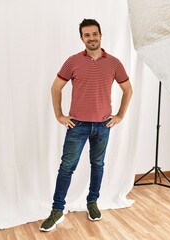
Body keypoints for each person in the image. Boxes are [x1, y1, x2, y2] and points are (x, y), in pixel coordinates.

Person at [40, 19, 133, 232]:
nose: (91, 38)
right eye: (87, 35)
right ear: (82, 38)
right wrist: (59, 116)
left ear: (101, 35)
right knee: (66, 168)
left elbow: (128, 89)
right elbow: (56, 88)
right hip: (77, 125)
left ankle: (92, 203)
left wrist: (119, 115)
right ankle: (57, 210)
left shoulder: (114, 63)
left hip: (103, 125)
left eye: (94, 34)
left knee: (97, 165)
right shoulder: (72, 61)